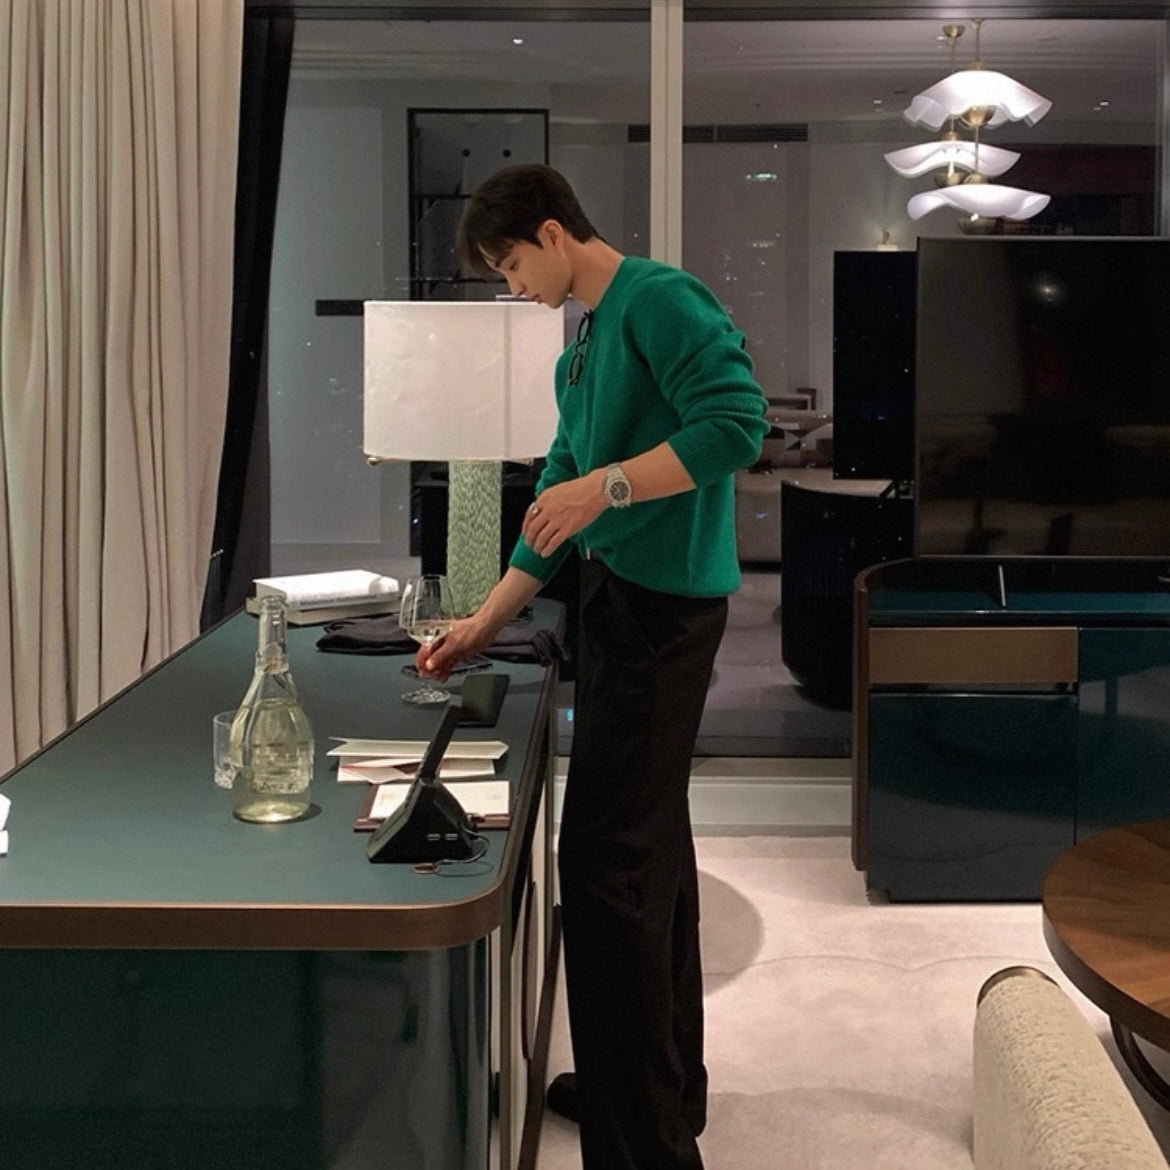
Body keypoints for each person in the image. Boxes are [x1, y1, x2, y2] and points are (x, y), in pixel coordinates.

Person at [416, 164, 768, 1170]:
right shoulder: (582, 349)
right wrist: (483, 622)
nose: (513, 287)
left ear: (553, 233)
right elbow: (558, 498)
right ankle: (661, 1088)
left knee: (606, 868)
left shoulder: (659, 299)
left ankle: (642, 1140)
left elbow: (736, 426)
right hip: (620, 605)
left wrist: (606, 490)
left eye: (511, 265)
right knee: (652, 856)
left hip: (664, 616)